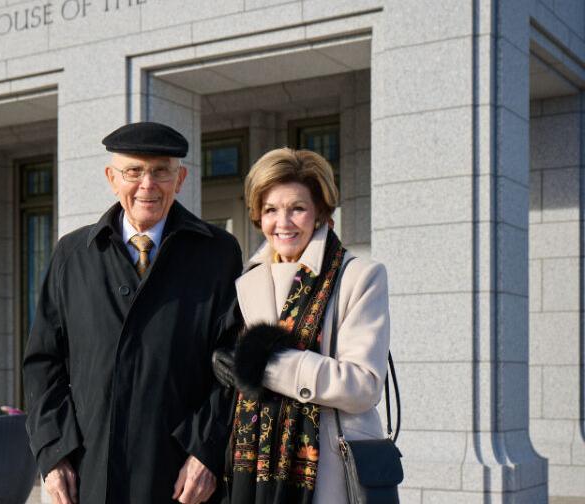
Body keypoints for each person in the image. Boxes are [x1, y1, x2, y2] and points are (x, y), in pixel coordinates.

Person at [23, 122, 243, 504]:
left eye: (161, 171)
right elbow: (44, 365)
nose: (147, 184)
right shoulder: (72, 256)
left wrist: (206, 451)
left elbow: (232, 365)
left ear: (181, 178)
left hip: (181, 480)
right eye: (133, 171)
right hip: (90, 476)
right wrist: (54, 453)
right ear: (112, 178)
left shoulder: (218, 254)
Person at [212, 147, 390, 503]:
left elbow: (363, 385)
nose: (283, 223)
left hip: (327, 472)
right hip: (256, 473)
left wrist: (265, 365)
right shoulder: (247, 280)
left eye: (297, 208)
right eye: (270, 210)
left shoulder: (358, 276)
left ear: (321, 212)